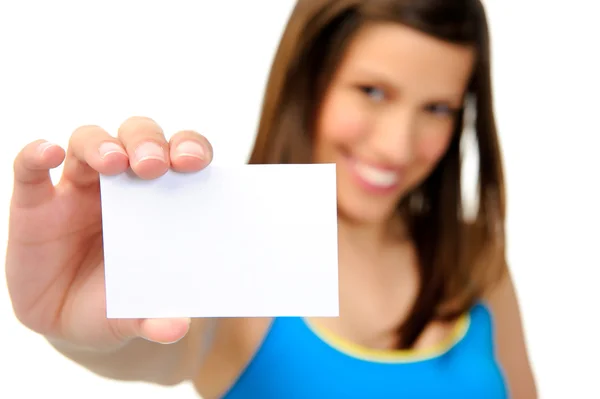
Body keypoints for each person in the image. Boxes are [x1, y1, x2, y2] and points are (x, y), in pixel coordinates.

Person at [6, 0, 537, 397]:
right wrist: (71, 322)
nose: (398, 146)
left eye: (438, 108)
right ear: (308, 78)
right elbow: (139, 347)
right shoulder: (227, 251)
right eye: (373, 91)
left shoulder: (476, 261)